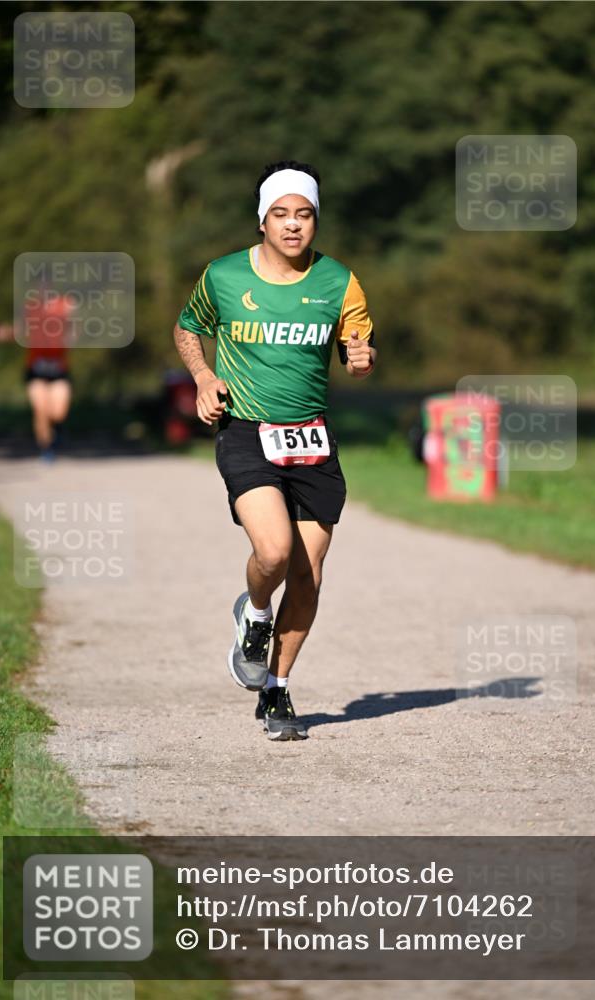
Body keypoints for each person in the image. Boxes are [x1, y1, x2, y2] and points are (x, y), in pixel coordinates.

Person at [173, 160, 377, 741]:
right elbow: (188, 328)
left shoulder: (340, 282)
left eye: (304, 215)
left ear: (316, 221)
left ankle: (276, 691)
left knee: (308, 576)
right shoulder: (223, 276)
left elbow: (358, 348)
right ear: (262, 219)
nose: (293, 226)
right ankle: (255, 612)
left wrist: (363, 361)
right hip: (247, 432)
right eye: (281, 214)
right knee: (276, 551)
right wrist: (203, 377)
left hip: (312, 439)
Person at [0, 289, 74, 462]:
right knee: (41, 409)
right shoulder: (30, 308)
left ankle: (57, 429)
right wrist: (6, 333)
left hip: (58, 368)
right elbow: (20, 331)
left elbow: (74, 330)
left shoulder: (65, 304)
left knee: (58, 412)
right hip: (36, 369)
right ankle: (47, 448)